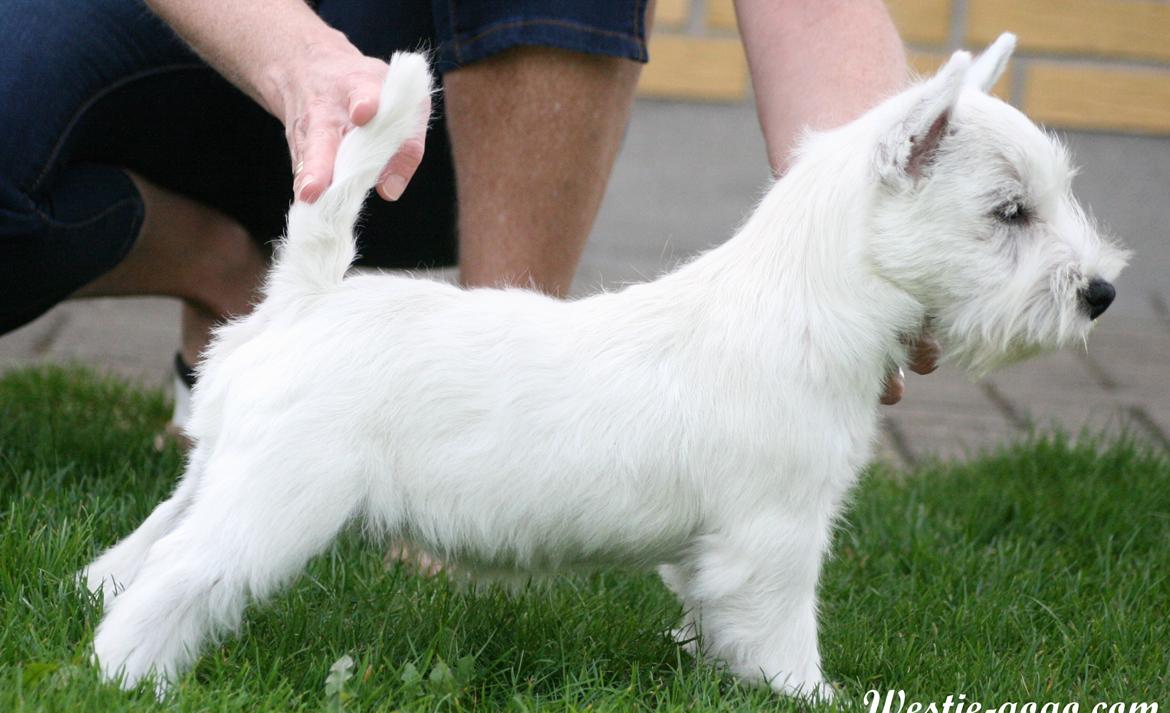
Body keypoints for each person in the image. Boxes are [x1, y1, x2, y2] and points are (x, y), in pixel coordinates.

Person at [0, 0, 936, 436]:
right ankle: (220, 266)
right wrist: (299, 60)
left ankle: (495, 416)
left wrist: (866, 202)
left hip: (430, 107)